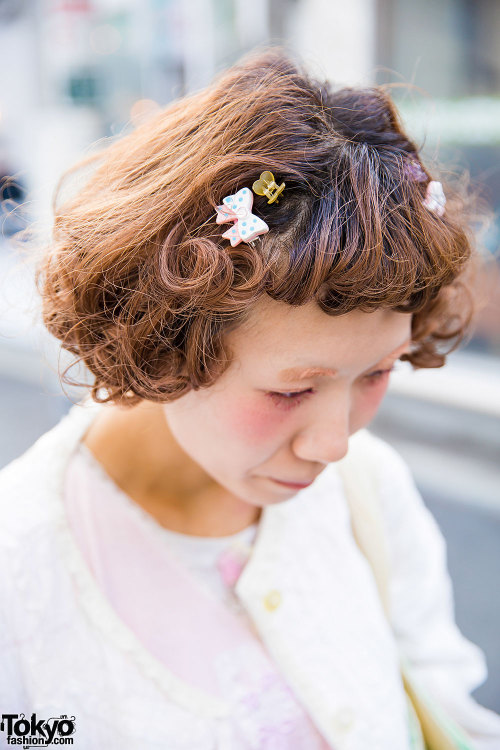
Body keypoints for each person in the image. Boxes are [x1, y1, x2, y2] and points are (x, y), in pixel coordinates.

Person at [0, 48, 499, 750]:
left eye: (379, 373)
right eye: (292, 389)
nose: (335, 444)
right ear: (167, 338)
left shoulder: (369, 494)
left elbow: (447, 713)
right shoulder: (18, 566)